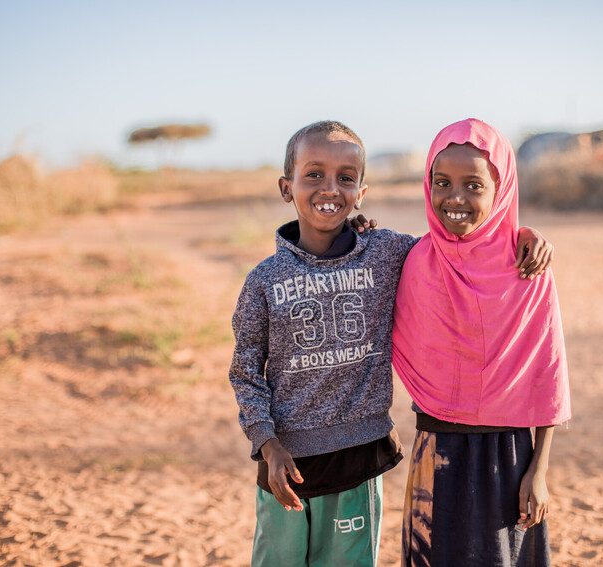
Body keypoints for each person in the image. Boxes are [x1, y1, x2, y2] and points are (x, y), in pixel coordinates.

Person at [228, 120, 553, 567]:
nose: (330, 189)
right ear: (287, 188)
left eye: (345, 178)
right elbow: (245, 371)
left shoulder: (385, 252)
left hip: (359, 459)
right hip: (286, 461)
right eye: (314, 175)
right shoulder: (263, 281)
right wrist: (266, 442)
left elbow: (459, 242)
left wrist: (522, 234)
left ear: (361, 192)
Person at [392, 118, 571, 567]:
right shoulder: (414, 260)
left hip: (509, 460)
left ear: (502, 189)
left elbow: (546, 373)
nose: (455, 198)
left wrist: (540, 471)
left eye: (474, 184)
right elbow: (356, 254)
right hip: (436, 451)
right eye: (442, 182)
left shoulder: (527, 268)